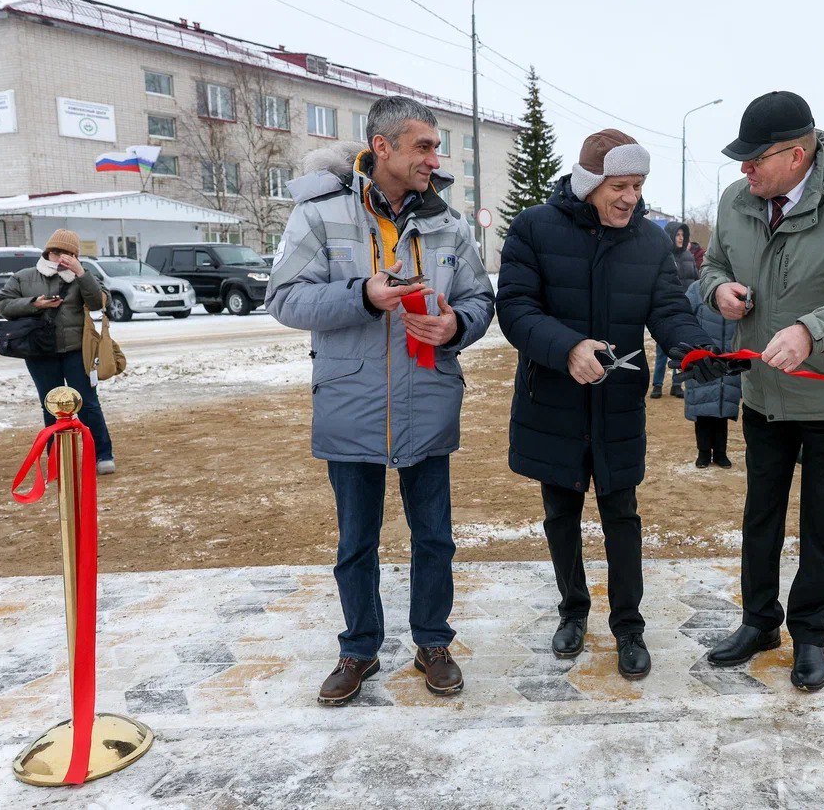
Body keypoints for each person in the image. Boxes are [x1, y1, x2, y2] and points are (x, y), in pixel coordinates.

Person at [267, 96, 495, 705]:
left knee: (435, 537)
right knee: (356, 541)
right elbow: (285, 299)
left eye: (435, 146)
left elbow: (479, 299)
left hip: (429, 399)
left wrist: (458, 326)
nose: (434, 157)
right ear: (384, 147)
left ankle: (434, 642)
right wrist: (362, 296)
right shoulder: (319, 215)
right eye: (423, 146)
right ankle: (358, 649)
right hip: (351, 403)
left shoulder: (447, 219)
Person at [496, 128, 729, 680]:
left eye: (638, 185)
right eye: (619, 185)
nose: (630, 197)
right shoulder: (534, 229)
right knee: (561, 515)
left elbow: (669, 309)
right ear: (590, 182)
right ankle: (573, 611)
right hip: (552, 399)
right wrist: (567, 347)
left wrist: (692, 350)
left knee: (621, 515)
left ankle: (629, 625)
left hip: (618, 403)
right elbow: (516, 309)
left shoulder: (648, 242)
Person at [697, 90, 824, 692]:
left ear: (795, 155)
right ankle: (759, 622)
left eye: (754, 159)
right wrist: (718, 291)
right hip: (764, 396)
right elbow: (711, 266)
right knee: (760, 515)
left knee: (822, 525)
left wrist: (812, 332)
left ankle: (809, 634)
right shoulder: (738, 201)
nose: (744, 170)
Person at [0, 229, 115, 474]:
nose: (61, 258)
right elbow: (3, 305)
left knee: (87, 403)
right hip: (40, 351)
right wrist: (33, 304)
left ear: (75, 255)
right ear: (47, 252)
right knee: (51, 405)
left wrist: (81, 273)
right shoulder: (23, 276)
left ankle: (103, 454)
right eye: (56, 252)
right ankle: (57, 459)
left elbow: (99, 302)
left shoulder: (84, 276)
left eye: (68, 253)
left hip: (76, 350)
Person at [683, 277, 742, 468]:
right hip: (703, 357)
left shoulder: (740, 289)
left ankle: (720, 453)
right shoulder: (696, 289)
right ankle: (703, 452)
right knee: (703, 408)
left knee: (722, 408)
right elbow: (684, 319)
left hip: (730, 357)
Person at [650, 221, 700, 399]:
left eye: (682, 235)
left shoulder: (688, 256)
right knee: (662, 351)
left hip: (685, 311)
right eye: (677, 234)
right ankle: (657, 384)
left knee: (681, 349)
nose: (680, 238)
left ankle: (677, 385)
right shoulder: (662, 256)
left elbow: (696, 280)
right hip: (665, 311)